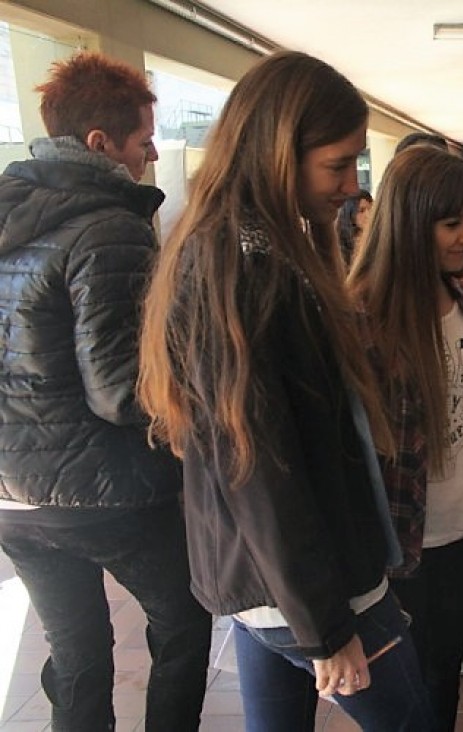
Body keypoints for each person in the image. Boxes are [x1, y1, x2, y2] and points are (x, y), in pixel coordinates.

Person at [137, 51, 435, 732]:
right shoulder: (237, 270)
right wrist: (326, 628)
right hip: (309, 586)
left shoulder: (250, 249)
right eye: (338, 165)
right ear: (277, 152)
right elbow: (258, 468)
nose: (352, 185)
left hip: (273, 582)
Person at [0, 52, 212, 731]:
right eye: (144, 141)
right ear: (100, 145)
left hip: (13, 493)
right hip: (104, 490)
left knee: (78, 656)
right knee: (183, 623)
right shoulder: (110, 227)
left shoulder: (9, 218)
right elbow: (121, 391)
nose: (152, 155)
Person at [347, 143, 463, 732]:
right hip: (397, 549)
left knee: (444, 674)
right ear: (409, 222)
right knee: (403, 695)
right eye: (451, 223)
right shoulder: (361, 320)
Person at [337, 189, 373, 262]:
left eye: (370, 209)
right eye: (361, 211)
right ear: (350, 213)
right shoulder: (341, 244)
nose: (368, 215)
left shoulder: (378, 235)